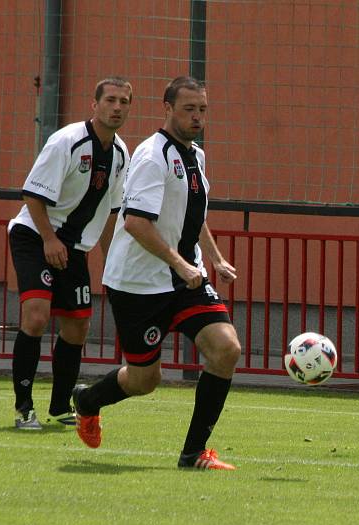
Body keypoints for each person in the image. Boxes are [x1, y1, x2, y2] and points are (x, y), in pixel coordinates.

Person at [72, 76, 241, 470]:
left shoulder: (195, 156)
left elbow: (193, 216)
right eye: (188, 109)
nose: (197, 117)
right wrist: (180, 263)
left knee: (226, 348)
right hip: (138, 285)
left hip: (184, 279)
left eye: (202, 109)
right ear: (167, 108)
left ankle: (194, 452)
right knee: (145, 380)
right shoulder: (152, 157)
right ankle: (88, 400)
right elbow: (135, 223)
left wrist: (213, 259)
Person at [8, 77, 132, 430]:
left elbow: (112, 211)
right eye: (110, 100)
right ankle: (23, 409)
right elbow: (32, 195)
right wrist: (49, 239)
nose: (117, 107)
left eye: (124, 101)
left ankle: (61, 406)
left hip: (74, 247)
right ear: (94, 105)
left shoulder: (122, 154)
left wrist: (113, 264)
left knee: (77, 326)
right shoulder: (67, 140)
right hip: (35, 234)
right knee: (36, 316)